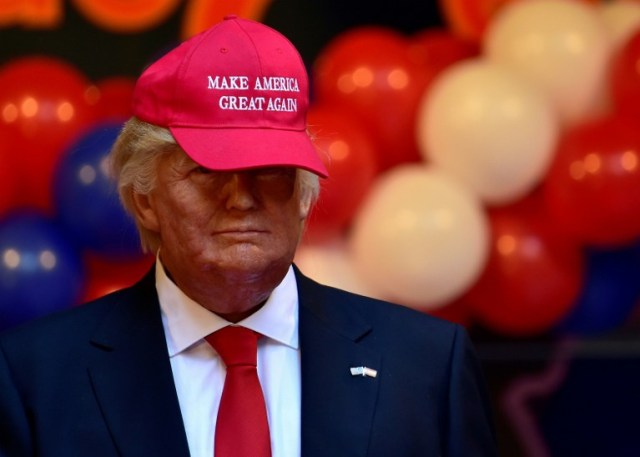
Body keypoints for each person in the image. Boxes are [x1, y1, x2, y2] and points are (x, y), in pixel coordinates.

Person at [0, 15, 497, 457]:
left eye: (273, 170)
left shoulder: (425, 367)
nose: (241, 197)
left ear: (305, 196)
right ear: (145, 198)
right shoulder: (36, 379)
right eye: (207, 171)